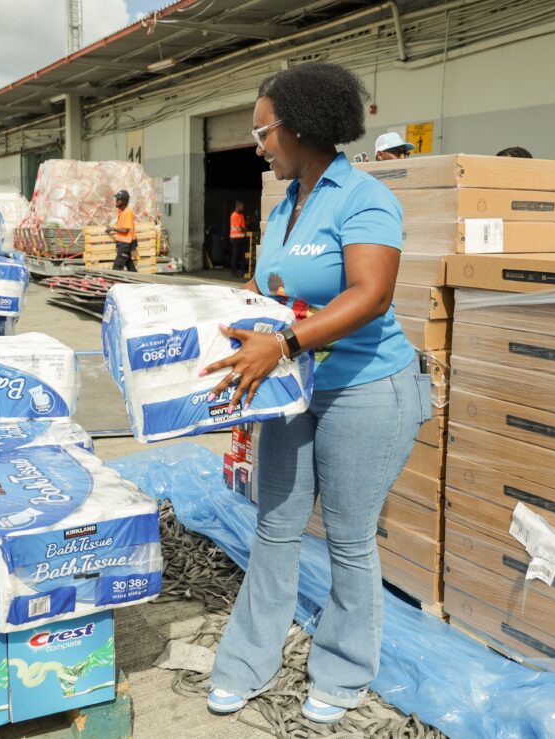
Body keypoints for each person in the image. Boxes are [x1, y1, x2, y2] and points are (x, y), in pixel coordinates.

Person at [202, 62, 432, 724]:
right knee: (275, 525)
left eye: (262, 132)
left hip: (365, 388)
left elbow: (372, 293)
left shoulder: (363, 198)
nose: (258, 147)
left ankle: (343, 669)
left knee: (349, 538)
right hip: (294, 388)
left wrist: (283, 345)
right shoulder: (284, 208)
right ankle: (246, 661)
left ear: (299, 126)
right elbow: (269, 291)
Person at [106, 190, 137, 271]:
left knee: (117, 267)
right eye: (116, 199)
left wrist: (113, 229)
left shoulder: (127, 212)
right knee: (129, 265)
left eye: (118, 199)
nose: (116, 201)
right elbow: (122, 226)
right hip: (123, 243)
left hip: (126, 244)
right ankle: (136, 277)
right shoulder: (121, 211)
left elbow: (125, 231)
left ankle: (114, 279)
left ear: (124, 201)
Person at [229, 201, 248, 278]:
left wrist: (244, 228)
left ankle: (243, 272)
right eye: (242, 207)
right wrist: (244, 229)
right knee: (235, 256)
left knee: (242, 256)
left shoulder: (241, 215)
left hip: (242, 238)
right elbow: (239, 228)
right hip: (235, 239)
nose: (243, 208)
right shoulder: (234, 215)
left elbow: (244, 227)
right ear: (238, 207)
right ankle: (233, 272)